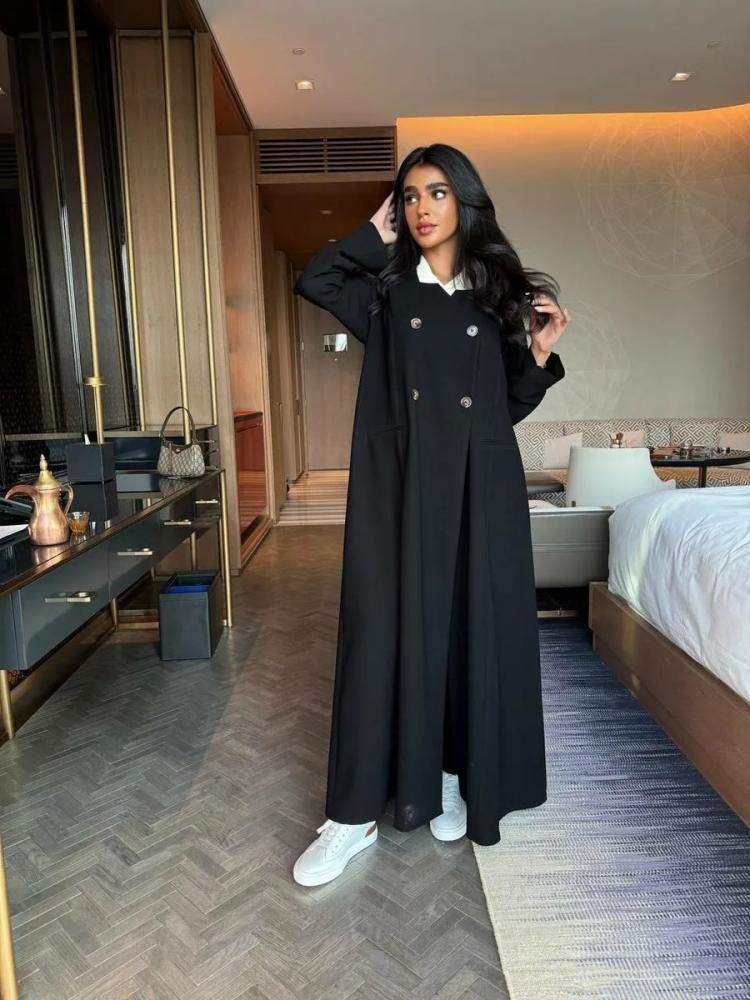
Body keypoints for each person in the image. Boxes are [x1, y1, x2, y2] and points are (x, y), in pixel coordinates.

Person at [291, 143, 570, 887]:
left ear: (465, 201)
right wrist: (370, 233)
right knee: (378, 634)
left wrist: (539, 354)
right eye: (410, 195)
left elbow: (506, 408)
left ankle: (449, 775)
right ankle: (351, 817)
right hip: (400, 490)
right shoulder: (386, 296)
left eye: (437, 192)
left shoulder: (496, 300)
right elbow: (314, 278)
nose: (422, 208)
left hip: (481, 490)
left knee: (465, 631)